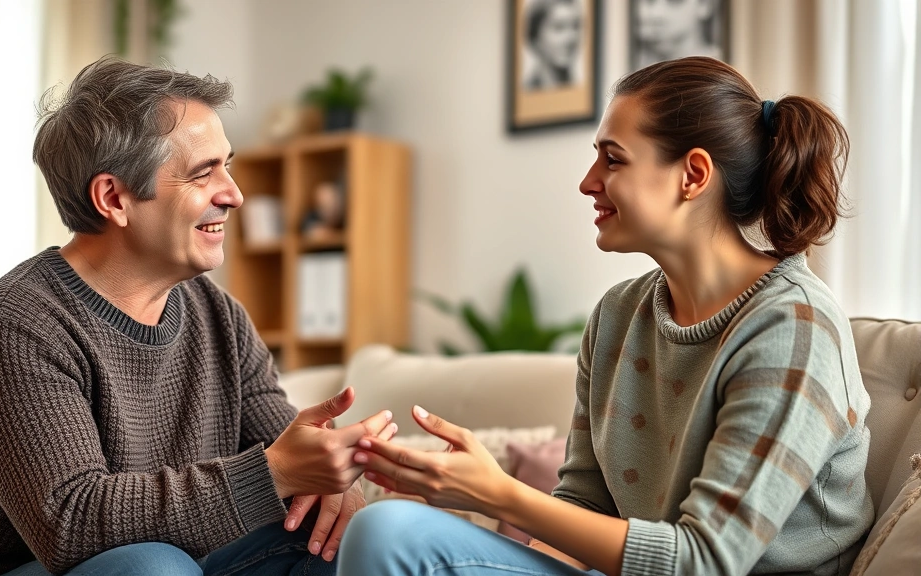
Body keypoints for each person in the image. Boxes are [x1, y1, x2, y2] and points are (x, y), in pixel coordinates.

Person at [339, 56, 873, 576]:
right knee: (386, 532)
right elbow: (583, 508)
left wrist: (497, 494)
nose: (588, 182)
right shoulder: (619, 315)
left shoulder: (793, 327)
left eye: (612, 159)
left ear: (692, 174)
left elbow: (704, 562)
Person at [0, 57, 397, 576]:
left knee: (330, 543)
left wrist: (335, 479)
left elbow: (291, 453)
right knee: (151, 567)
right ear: (114, 197)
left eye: (229, 165)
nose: (234, 194)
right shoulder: (16, 324)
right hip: (11, 570)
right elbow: (72, 524)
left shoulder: (219, 316)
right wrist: (272, 475)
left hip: (177, 562)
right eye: (204, 174)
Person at [632, 0, 723, 69]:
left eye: (674, 1)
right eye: (650, 1)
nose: (656, 14)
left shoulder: (722, 67)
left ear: (704, 4)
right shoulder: (637, 66)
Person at [522, 0, 584, 90]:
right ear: (535, 37)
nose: (570, 38)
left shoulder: (579, 86)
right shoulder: (528, 88)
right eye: (559, 28)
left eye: (575, 26)